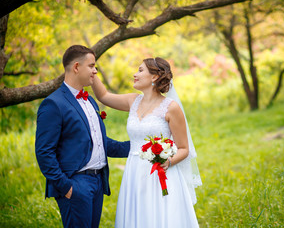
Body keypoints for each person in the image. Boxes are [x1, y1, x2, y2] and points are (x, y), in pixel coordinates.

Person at [91, 57, 202, 228]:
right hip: (134, 172)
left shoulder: (171, 107)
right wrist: (92, 70)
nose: (135, 74)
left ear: (155, 77)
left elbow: (183, 148)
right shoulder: (132, 101)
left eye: (140, 70)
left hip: (161, 172)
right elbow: (103, 96)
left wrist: (168, 161)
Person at [35, 45, 130, 228]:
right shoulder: (53, 104)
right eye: (92, 66)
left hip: (98, 182)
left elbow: (99, 143)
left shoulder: (89, 100)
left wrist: (138, 146)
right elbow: (44, 152)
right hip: (76, 184)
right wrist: (67, 188)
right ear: (76, 67)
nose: (95, 71)